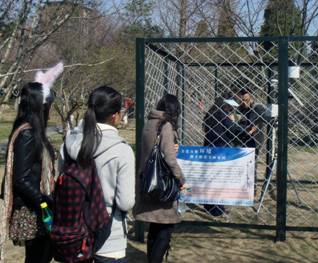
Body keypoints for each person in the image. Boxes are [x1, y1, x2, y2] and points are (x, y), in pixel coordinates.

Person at [61, 86, 135, 263]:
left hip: (72, 233)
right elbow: (125, 202)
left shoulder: (69, 142)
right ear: (114, 115)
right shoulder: (122, 150)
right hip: (109, 236)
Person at [1, 83, 56, 263]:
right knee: (38, 257)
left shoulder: (33, 131)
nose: (51, 109)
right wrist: (45, 201)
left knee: (41, 255)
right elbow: (21, 178)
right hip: (32, 210)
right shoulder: (28, 134)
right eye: (48, 104)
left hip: (36, 206)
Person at [133, 94, 186, 263]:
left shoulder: (150, 123)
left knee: (154, 229)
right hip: (163, 185)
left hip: (148, 181)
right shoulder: (166, 126)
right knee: (165, 230)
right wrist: (181, 179)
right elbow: (169, 158)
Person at [202, 93, 246, 216]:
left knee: (211, 177)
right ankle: (217, 209)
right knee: (218, 179)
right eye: (231, 106)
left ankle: (209, 206)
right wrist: (245, 127)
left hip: (210, 147)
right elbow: (231, 128)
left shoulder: (211, 113)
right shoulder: (221, 114)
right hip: (220, 148)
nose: (232, 109)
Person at [237, 88, 268, 194]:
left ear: (250, 95)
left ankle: (252, 188)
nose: (243, 98)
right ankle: (242, 186)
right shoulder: (240, 108)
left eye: (245, 95)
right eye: (241, 96)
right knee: (242, 162)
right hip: (242, 138)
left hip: (255, 139)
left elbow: (259, 122)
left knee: (251, 163)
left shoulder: (257, 107)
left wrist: (250, 130)